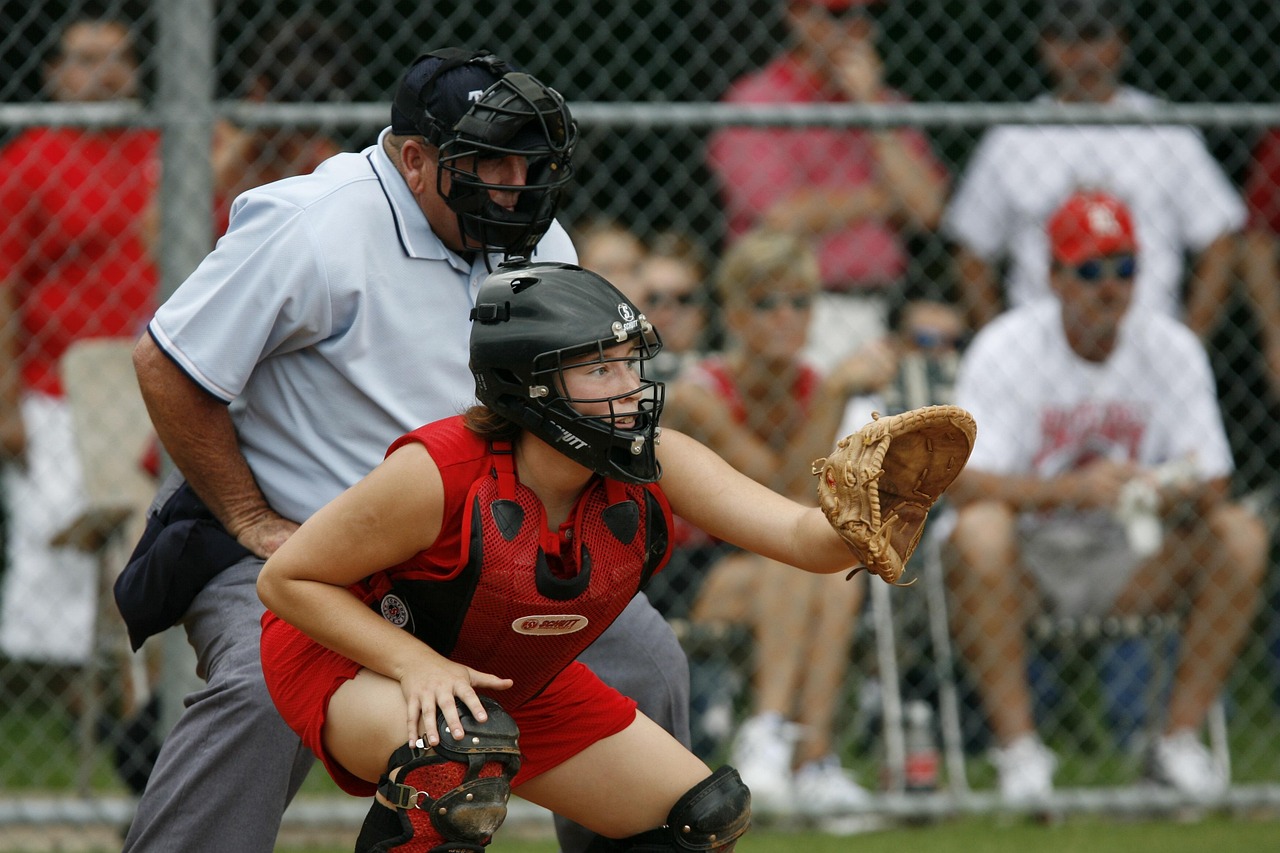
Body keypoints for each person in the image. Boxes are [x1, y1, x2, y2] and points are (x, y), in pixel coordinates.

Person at [117, 49, 689, 853]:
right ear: (413, 158)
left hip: (478, 544)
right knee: (258, 691)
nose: (514, 182)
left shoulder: (538, 240)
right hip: (304, 547)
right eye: (488, 160)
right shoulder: (316, 223)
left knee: (647, 658)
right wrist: (251, 518)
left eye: (526, 161)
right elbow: (169, 363)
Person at [255, 260, 886, 851]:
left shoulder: (657, 460)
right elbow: (287, 579)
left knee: (702, 814)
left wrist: (877, 513)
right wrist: (413, 662)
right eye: (599, 371)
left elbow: (806, 542)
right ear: (525, 387)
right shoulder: (440, 471)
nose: (632, 389)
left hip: (507, 675)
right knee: (457, 757)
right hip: (353, 660)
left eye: (631, 364)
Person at [940, 189, 1267, 802]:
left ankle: (1177, 745)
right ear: (1055, 277)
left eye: (1124, 268)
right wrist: (1072, 490)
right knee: (980, 529)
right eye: (1089, 270)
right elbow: (962, 481)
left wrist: (1158, 488)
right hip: (1029, 560)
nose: (1108, 287)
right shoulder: (1007, 346)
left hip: (1132, 555)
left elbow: (1214, 477)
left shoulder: (1172, 346)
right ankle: (1019, 755)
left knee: (1241, 534)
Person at [660, 230, 898, 812]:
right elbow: (783, 491)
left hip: (778, 565)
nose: (786, 318)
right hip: (695, 571)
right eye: (767, 304)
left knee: (834, 570)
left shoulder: (812, 387)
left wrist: (830, 395)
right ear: (736, 315)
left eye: (800, 302)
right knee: (801, 554)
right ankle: (774, 737)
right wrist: (837, 393)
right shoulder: (701, 394)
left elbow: (812, 510)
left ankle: (808, 756)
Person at [0, 15, 158, 669]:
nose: (105, 72)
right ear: (54, 74)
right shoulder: (29, 158)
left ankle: (136, 730)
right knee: (54, 561)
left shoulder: (165, 146)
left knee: (149, 552)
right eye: (87, 59)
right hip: (54, 390)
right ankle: (71, 714)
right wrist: (6, 401)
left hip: (158, 390)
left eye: (117, 57)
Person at [941, 0, 1244, 334]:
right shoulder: (1014, 135)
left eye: (1094, 37)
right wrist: (1001, 343)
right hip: (1040, 347)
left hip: (1146, 342)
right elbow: (971, 248)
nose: (1082, 55)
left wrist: (1189, 340)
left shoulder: (1164, 129)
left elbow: (1219, 237)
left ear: (1121, 41)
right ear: (1045, 46)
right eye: (1067, 40)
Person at [706, 0, 948, 374]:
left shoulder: (886, 105)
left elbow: (927, 208)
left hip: (879, 308)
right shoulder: (756, 100)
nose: (855, 26)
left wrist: (870, 109)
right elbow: (782, 217)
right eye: (838, 13)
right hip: (783, 310)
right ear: (796, 16)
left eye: (866, 15)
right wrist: (885, 197)